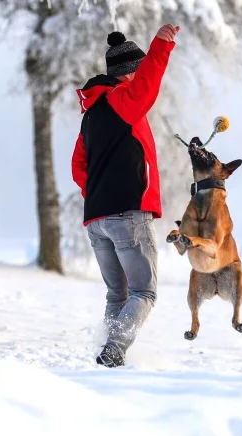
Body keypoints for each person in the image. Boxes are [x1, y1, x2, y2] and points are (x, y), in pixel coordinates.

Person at [71, 24, 180, 368]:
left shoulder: (91, 116)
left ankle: (108, 355)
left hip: (97, 219)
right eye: (139, 68)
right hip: (127, 216)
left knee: (117, 294)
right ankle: (114, 350)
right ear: (129, 74)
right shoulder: (123, 100)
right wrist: (161, 46)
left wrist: (100, 197)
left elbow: (78, 166)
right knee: (144, 292)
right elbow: (147, 85)